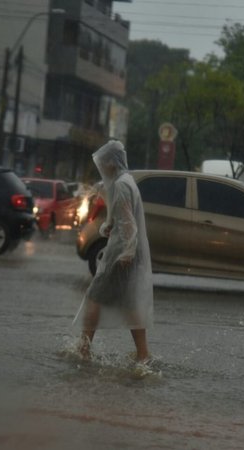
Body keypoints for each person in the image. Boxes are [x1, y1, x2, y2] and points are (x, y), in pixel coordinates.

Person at [73, 140, 154, 362]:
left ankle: (84, 349)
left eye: (103, 161)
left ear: (111, 162)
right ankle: (143, 354)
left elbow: (129, 224)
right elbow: (124, 218)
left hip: (120, 254)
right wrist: (109, 226)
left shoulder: (120, 184)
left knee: (93, 298)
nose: (102, 166)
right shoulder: (127, 181)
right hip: (125, 251)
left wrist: (126, 251)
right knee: (128, 304)